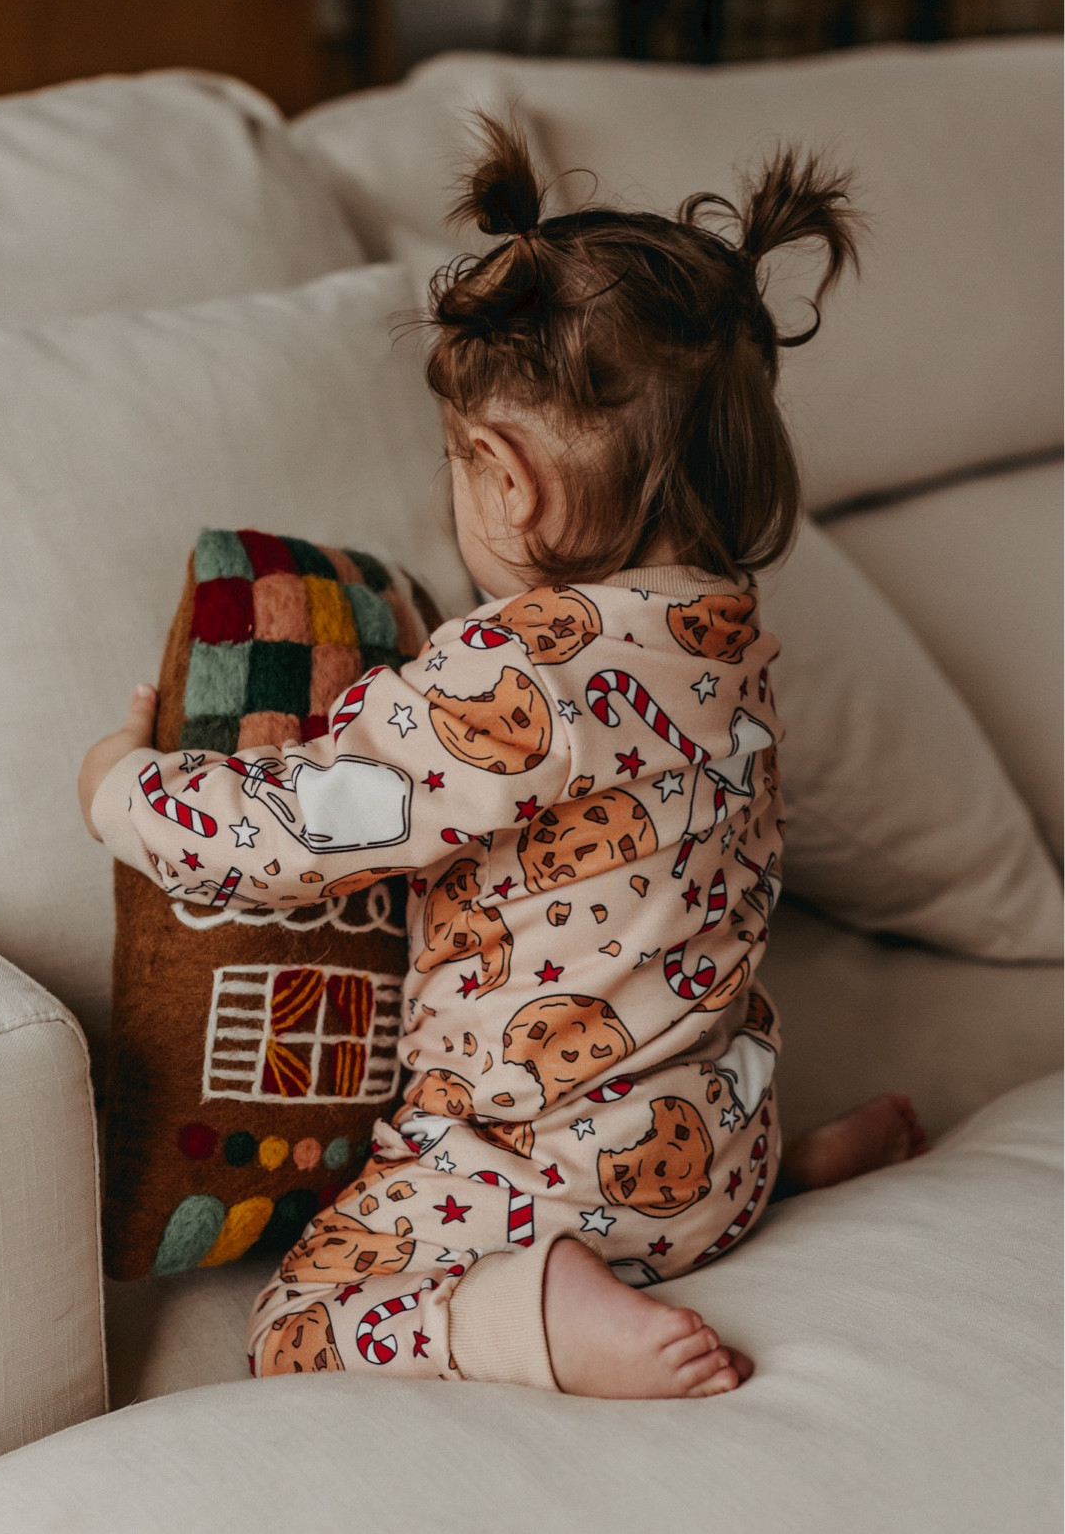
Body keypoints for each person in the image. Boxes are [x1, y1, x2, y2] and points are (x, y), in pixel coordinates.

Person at [79, 118, 925, 1399]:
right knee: (695, 1084)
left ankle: (532, 1311)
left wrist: (121, 787)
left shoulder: (513, 673)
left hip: (534, 1165)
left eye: (456, 463)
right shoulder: (724, 645)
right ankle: (780, 1175)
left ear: (507, 479)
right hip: (709, 1140)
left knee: (292, 1323)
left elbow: (309, 822)